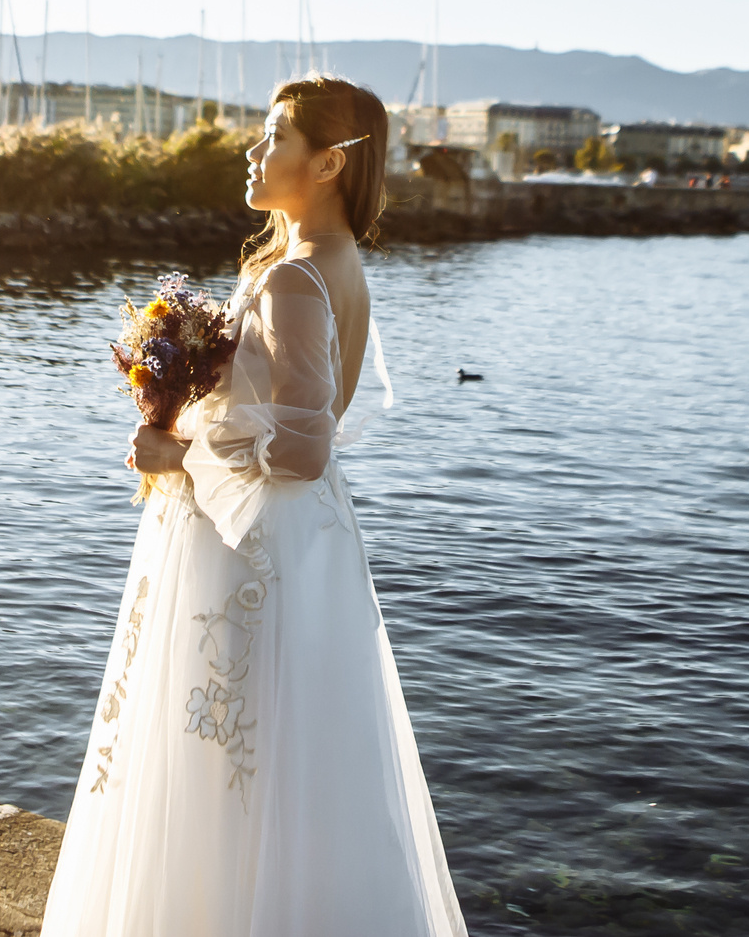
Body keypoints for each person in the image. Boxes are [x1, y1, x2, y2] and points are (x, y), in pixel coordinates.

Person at [41, 75, 466, 936]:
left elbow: (304, 449)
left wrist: (175, 446)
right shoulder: (331, 266)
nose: (253, 148)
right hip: (306, 553)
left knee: (225, 767)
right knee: (296, 774)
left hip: (251, 555)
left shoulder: (296, 280)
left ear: (329, 162)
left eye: (274, 136)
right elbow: (289, 420)